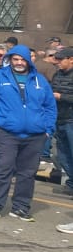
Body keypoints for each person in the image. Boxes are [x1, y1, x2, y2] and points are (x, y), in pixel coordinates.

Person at [0, 44, 57, 222]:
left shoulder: (39, 80)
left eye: (23, 59)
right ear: (10, 60)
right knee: (2, 170)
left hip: (35, 135)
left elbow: (50, 106)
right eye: (16, 59)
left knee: (27, 173)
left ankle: (21, 207)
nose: (19, 62)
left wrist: (48, 129)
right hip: (7, 132)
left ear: (29, 61)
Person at [52, 47, 73, 201]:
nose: (57, 62)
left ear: (71, 59)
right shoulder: (57, 74)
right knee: (63, 154)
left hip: (71, 119)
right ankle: (71, 184)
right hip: (59, 118)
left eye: (61, 59)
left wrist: (61, 97)